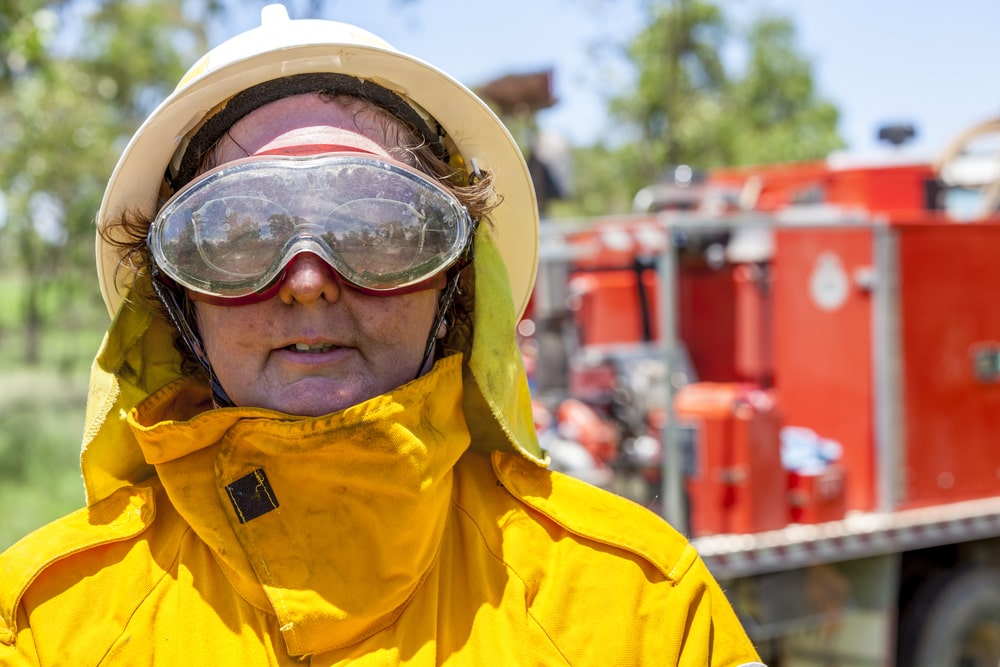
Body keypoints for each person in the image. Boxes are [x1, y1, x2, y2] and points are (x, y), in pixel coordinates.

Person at [0, 5, 764, 665]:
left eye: (376, 227)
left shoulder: (638, 610)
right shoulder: (46, 626)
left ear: (453, 283)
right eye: (237, 233)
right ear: (175, 296)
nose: (308, 280)